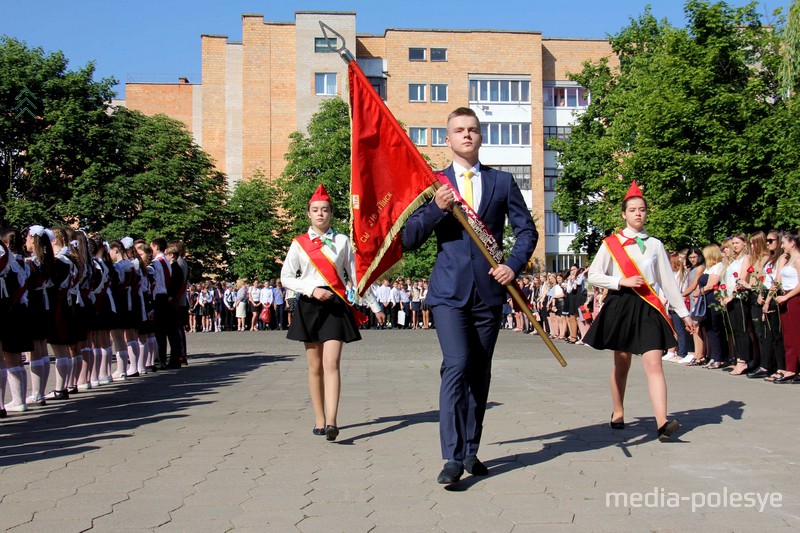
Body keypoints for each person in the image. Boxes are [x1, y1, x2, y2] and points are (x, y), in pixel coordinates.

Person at [403, 107, 538, 484]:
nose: (467, 135)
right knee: (457, 365)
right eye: (459, 130)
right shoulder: (433, 183)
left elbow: (526, 231)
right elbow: (409, 238)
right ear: (447, 139)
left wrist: (512, 264)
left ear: (481, 137)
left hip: (490, 293)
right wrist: (436, 209)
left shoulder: (502, 182)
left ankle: (470, 451)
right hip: (448, 292)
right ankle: (450, 456)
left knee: (480, 374)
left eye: (473, 130)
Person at [584, 181, 694, 442]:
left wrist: (683, 312)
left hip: (649, 307)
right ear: (624, 213)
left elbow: (667, 281)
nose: (638, 214)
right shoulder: (611, 243)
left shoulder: (655, 244)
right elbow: (594, 275)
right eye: (632, 209)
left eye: (642, 209)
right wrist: (619, 281)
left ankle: (662, 423)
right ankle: (618, 410)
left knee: (654, 363)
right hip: (621, 305)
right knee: (621, 364)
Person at [280, 184, 384, 442]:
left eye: (325, 210)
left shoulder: (343, 242)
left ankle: (332, 421)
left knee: (331, 364)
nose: (320, 214)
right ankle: (318, 419)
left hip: (336, 306)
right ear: (308, 214)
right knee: (314, 367)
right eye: (315, 210)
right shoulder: (299, 244)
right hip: (309, 305)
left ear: (331, 214)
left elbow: (357, 276)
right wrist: (310, 289)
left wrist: (375, 305)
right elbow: (286, 277)